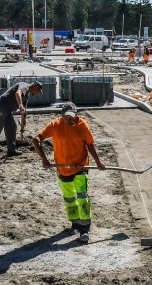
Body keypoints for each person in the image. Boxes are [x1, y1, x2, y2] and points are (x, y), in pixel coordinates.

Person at [32, 102, 106, 243]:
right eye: (67, 118)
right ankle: (75, 223)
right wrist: (44, 160)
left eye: (72, 117)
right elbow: (36, 140)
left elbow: (89, 144)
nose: (70, 120)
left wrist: (98, 162)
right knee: (69, 198)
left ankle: (84, 229)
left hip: (81, 167)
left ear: (76, 115)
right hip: (63, 169)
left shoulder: (82, 125)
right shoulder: (55, 125)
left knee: (82, 197)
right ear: (61, 117)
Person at [0, 81, 43, 160]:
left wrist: (24, 119)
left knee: (12, 127)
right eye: (38, 91)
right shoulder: (24, 86)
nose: (36, 94)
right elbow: (17, 93)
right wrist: (20, 105)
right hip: (1, 106)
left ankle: (11, 150)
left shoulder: (27, 95)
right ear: (35, 87)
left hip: (7, 110)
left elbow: (24, 108)